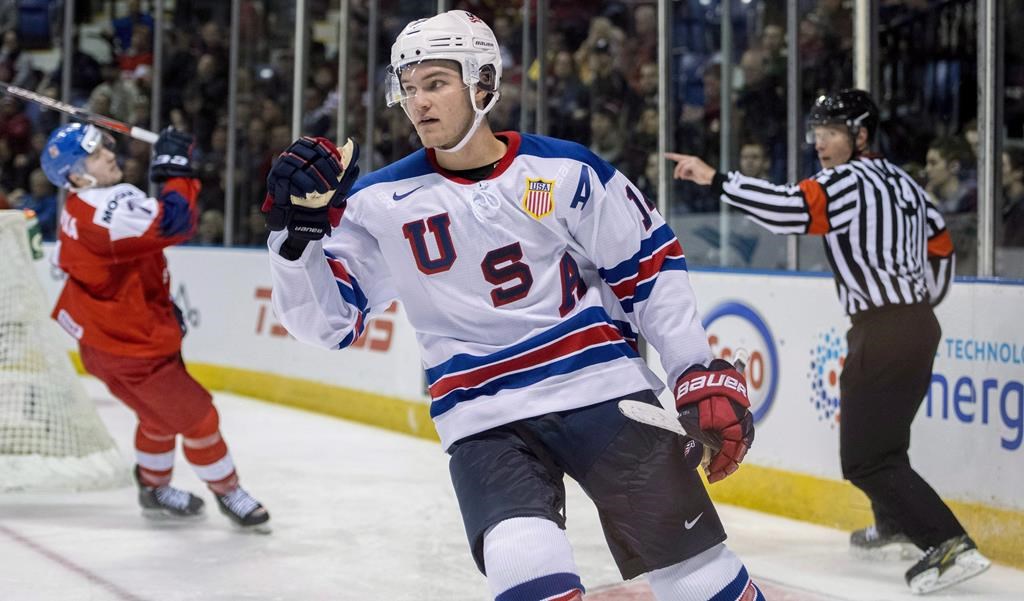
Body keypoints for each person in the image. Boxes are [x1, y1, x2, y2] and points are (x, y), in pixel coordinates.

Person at [264, 10, 762, 601]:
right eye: (409, 87)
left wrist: (691, 368)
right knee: (523, 566)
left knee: (700, 579)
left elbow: (648, 270)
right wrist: (294, 238)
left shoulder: (566, 170)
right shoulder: (378, 202)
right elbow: (329, 325)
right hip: (482, 417)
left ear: (483, 83)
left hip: (602, 392)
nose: (418, 102)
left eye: (436, 83)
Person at [666, 89, 991, 595]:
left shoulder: (846, 181)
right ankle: (894, 524)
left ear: (861, 136)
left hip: (882, 329)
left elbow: (790, 210)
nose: (820, 142)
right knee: (887, 443)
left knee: (865, 459)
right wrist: (917, 302)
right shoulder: (909, 185)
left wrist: (717, 179)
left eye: (832, 132)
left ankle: (950, 543)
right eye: (817, 132)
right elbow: (942, 252)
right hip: (919, 324)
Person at [41, 122, 270, 532]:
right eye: (94, 155)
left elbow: (135, 254)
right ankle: (228, 491)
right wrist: (175, 169)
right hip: (129, 348)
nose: (109, 155)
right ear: (75, 177)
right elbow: (176, 223)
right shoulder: (102, 213)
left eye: (103, 147)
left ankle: (153, 487)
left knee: (159, 418)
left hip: (122, 336)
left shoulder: (92, 202)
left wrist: (159, 305)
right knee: (200, 419)